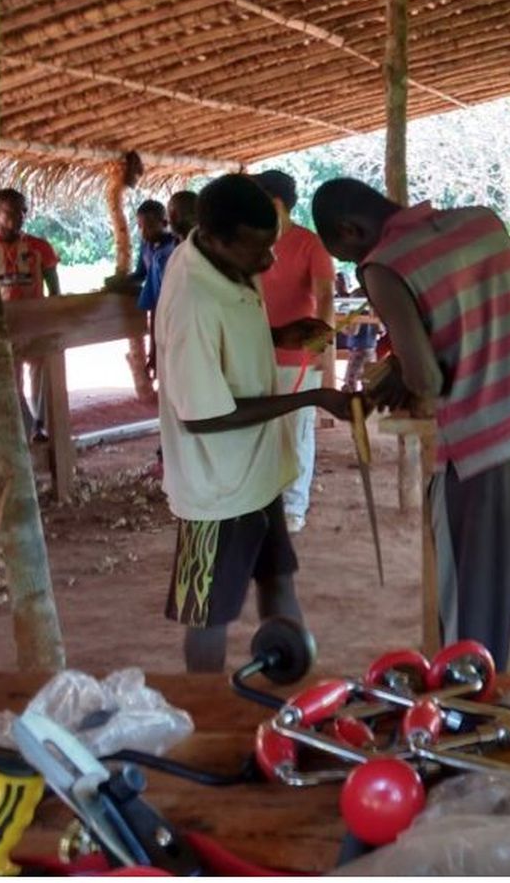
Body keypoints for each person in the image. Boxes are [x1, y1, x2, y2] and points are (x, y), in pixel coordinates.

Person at [310, 178, 510, 673]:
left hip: (481, 449)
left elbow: (429, 380)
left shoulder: (383, 266)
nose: (354, 265)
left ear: (351, 230)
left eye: (345, 253)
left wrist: (400, 374)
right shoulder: (482, 221)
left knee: (474, 623)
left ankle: (473, 730)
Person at [154, 174, 353, 673]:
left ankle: (290, 685)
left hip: (258, 474)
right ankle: (206, 710)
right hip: (216, 491)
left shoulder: (225, 260)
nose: (268, 262)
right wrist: (313, 395)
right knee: (208, 614)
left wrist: (280, 332)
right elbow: (206, 417)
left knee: (278, 577)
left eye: (272, 245)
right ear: (217, 238)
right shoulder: (191, 301)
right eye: (257, 250)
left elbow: (231, 336)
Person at [252, 170, 336, 534]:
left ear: (275, 204)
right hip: (254, 355)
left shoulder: (309, 244)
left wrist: (319, 352)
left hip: (297, 359)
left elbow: (326, 297)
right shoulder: (251, 244)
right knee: (258, 429)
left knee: (297, 431)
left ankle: (293, 507)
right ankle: (261, 500)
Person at [0, 188, 60, 442]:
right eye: (10, 212)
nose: (18, 217)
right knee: (11, 377)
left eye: (22, 211)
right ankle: (26, 426)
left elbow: (55, 289)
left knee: (41, 373)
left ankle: (40, 425)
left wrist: (54, 318)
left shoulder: (39, 247)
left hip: (36, 324)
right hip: (2, 326)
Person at [133, 199, 180, 382]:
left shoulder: (173, 249)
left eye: (150, 226)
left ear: (165, 223)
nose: (144, 232)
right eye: (141, 227)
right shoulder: (147, 246)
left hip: (173, 315)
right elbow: (140, 273)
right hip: (159, 312)